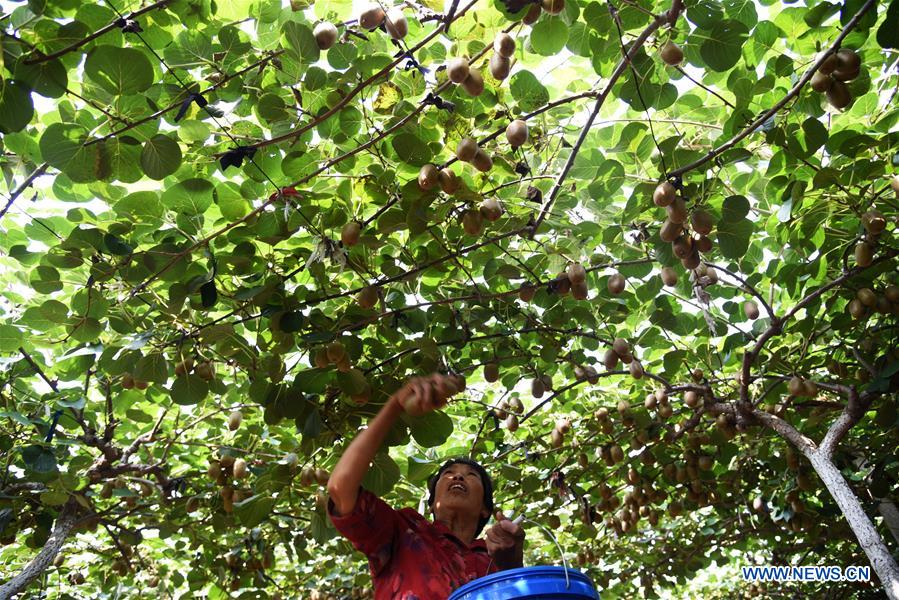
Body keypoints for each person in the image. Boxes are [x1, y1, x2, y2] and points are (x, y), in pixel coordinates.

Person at [327, 373, 526, 599]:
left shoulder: (494, 557)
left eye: (471, 475)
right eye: (448, 474)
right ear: (432, 505)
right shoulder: (404, 532)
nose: (458, 478)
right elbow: (340, 488)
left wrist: (512, 563)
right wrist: (394, 407)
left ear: (485, 509)